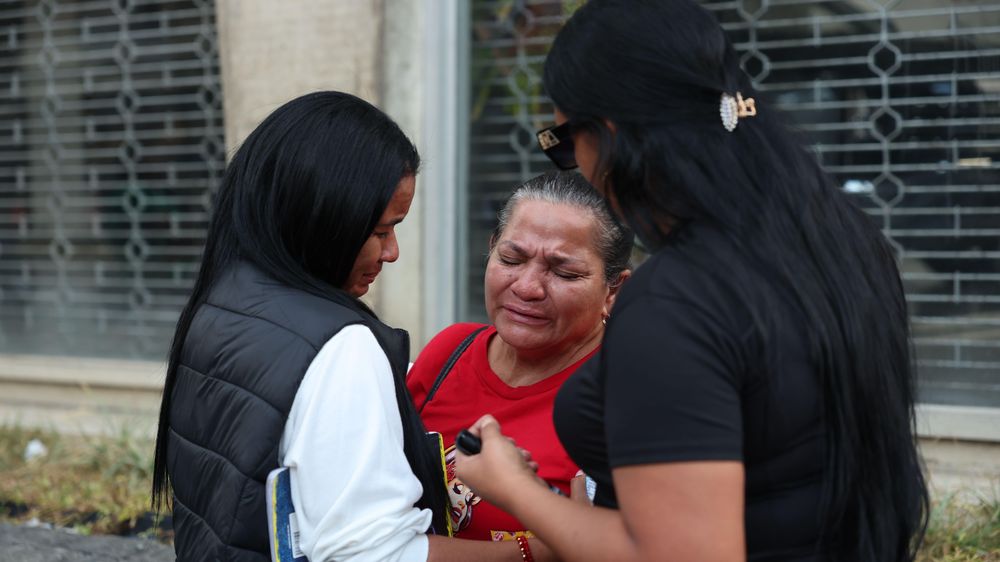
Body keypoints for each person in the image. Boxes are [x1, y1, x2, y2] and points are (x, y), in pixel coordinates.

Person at [455, 2, 930, 561]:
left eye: (564, 144)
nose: (575, 166)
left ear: (608, 135)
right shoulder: (844, 241)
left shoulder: (679, 301)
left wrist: (514, 488)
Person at [150, 91, 555, 562]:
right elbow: (374, 553)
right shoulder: (341, 347)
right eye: (382, 230)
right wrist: (535, 550)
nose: (392, 252)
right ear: (322, 216)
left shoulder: (224, 301)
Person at [407, 171, 632, 543]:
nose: (527, 287)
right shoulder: (450, 350)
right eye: (511, 259)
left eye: (564, 272)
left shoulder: (627, 396)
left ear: (613, 289)